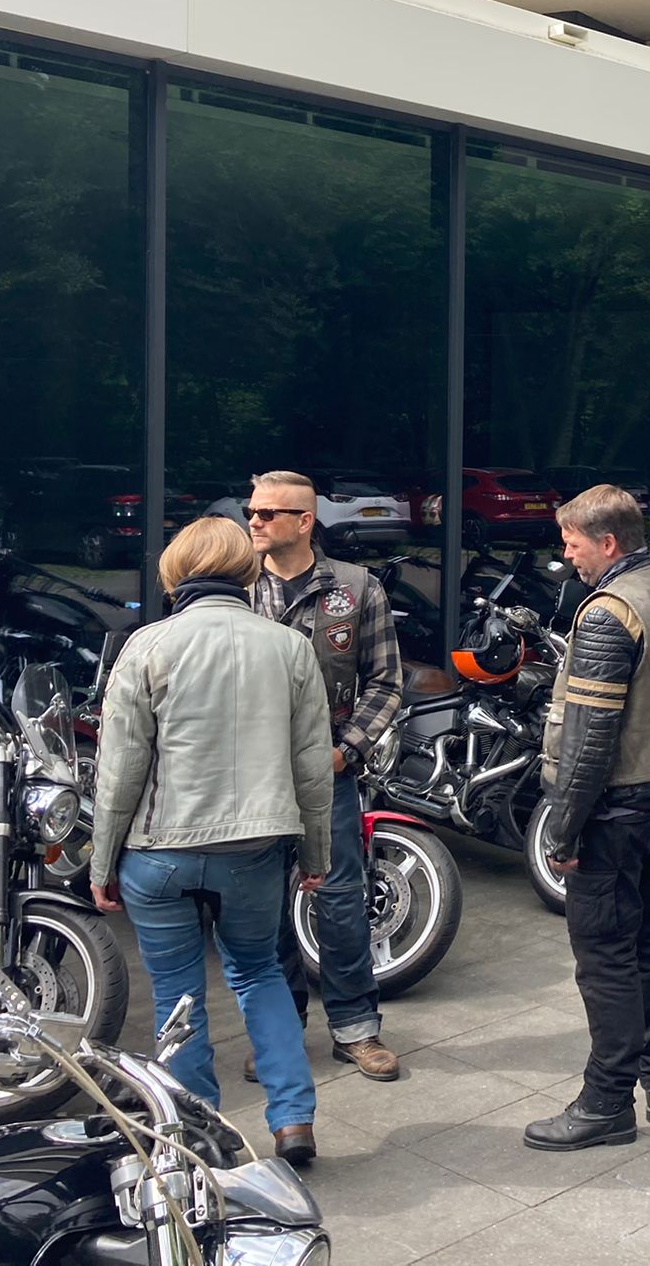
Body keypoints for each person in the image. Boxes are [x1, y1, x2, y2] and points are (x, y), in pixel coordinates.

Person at [90, 517, 333, 1165]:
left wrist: (101, 860)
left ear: (175, 574)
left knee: (178, 993)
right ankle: (293, 1119)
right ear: (246, 572)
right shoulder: (290, 647)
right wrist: (316, 854)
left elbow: (120, 770)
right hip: (254, 849)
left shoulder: (146, 645)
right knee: (259, 972)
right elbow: (313, 766)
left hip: (159, 852)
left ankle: (201, 1133)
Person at [526, 484, 650, 1152]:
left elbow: (589, 736)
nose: (566, 555)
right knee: (648, 939)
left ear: (607, 543)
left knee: (605, 958)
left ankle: (606, 1103)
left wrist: (563, 828)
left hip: (617, 809)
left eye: (572, 542)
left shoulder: (609, 612)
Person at [246, 470, 404, 1083]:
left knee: (339, 900)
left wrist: (345, 751)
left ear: (304, 521)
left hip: (325, 770)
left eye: (267, 513)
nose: (254, 521)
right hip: (250, 773)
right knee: (261, 904)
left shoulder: (357, 588)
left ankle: (357, 1028)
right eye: (252, 511)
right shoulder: (235, 585)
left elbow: (386, 682)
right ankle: (280, 1032)